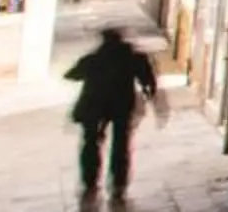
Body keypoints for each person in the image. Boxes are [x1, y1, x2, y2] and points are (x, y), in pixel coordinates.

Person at [67, 26, 162, 202]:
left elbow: (72, 75)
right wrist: (151, 98)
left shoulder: (94, 59)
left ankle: (90, 181)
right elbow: (148, 81)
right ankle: (119, 183)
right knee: (121, 144)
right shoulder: (134, 58)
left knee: (90, 143)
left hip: (94, 106)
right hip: (121, 106)